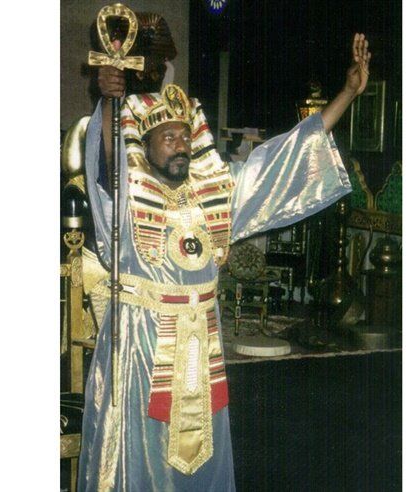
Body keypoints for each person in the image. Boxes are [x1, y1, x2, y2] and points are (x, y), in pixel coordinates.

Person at [78, 32, 372, 491]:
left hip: (201, 347)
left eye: (184, 136)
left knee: (201, 459)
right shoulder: (126, 195)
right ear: (144, 146)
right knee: (142, 457)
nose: (180, 145)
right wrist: (111, 99)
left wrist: (348, 93)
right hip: (142, 345)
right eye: (167, 137)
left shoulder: (214, 193)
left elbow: (285, 159)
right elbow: (109, 156)